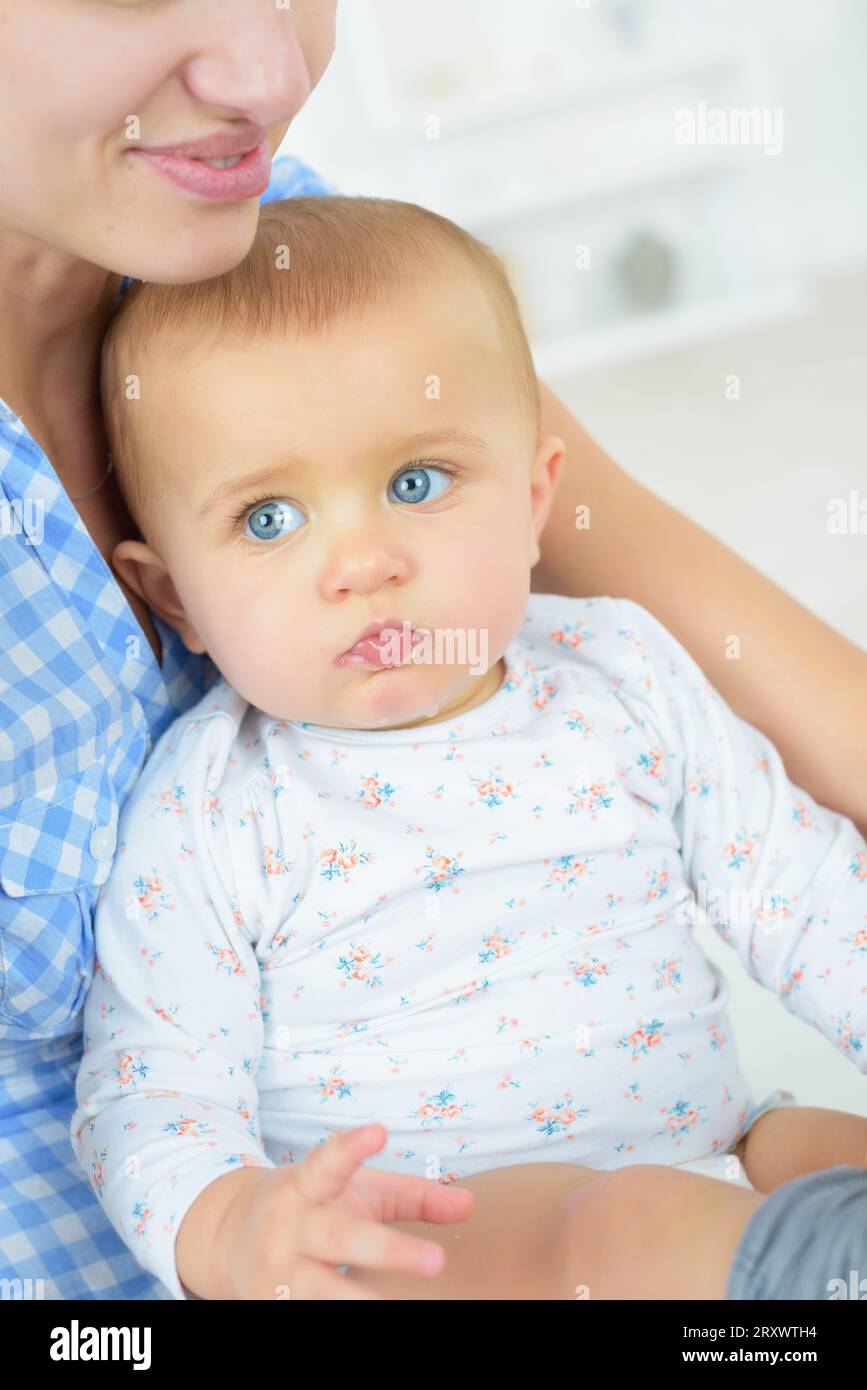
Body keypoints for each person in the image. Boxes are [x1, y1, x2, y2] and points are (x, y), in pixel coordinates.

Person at [1, 1, 864, 1302]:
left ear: (534, 495)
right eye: (272, 520)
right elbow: (155, 1084)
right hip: (432, 1226)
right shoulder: (216, 804)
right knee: (625, 1224)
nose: (364, 563)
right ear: (170, 595)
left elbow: (808, 893)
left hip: (707, 1136)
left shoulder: (616, 675)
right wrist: (231, 1226)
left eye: (416, 483)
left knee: (811, 1146)